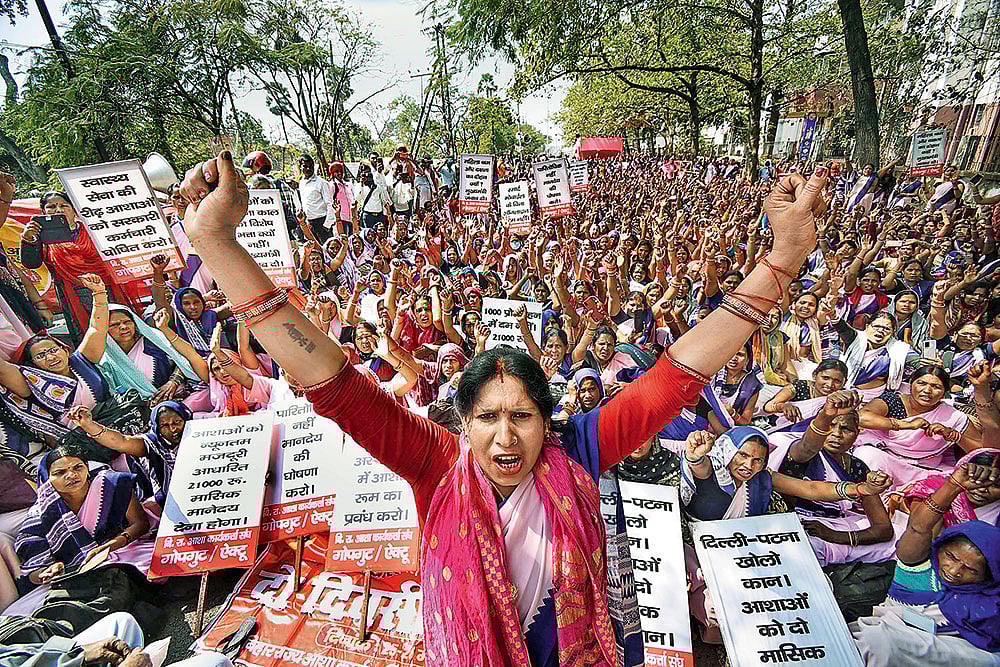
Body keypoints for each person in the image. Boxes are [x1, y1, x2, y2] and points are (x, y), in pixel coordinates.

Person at [178, 151, 832, 667]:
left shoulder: (581, 448)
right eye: (487, 418)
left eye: (521, 416)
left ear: (548, 419)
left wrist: (785, 257)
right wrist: (216, 242)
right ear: (463, 422)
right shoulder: (434, 462)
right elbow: (332, 381)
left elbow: (678, 374)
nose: (505, 438)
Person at [18, 193, 141, 345]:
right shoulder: (41, 237)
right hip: (74, 296)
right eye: (51, 207)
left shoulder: (92, 230)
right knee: (92, 337)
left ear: (74, 210)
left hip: (108, 289)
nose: (58, 210)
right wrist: (28, 239)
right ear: (43, 212)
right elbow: (31, 264)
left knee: (121, 328)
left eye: (64, 206)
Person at [856, 365, 985, 489]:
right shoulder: (893, 401)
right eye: (921, 383)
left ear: (944, 392)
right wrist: (907, 425)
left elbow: (983, 451)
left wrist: (953, 435)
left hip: (922, 471)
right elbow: (862, 417)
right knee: (866, 455)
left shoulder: (952, 416)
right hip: (886, 460)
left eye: (936, 387)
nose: (927, 390)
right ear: (911, 384)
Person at [64, 401, 192, 508]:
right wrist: (89, 425)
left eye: (177, 422)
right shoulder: (153, 444)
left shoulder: (201, 433)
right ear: (157, 428)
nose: (173, 429)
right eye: (164, 425)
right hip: (177, 503)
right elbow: (121, 441)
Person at [296, 155, 337, 244]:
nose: (308, 168)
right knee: (313, 250)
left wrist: (327, 225)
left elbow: (330, 204)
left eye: (310, 166)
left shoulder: (322, 183)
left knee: (327, 250)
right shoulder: (301, 183)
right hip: (309, 223)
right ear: (300, 167)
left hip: (322, 223)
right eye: (305, 166)